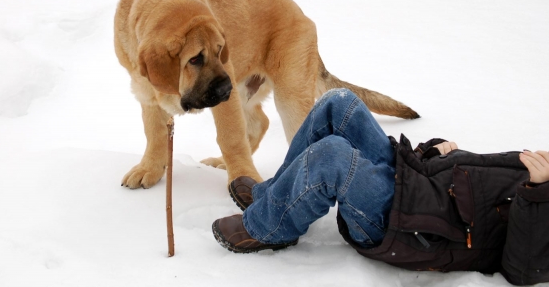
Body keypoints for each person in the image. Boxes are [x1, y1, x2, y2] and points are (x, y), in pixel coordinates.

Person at [211, 88, 549, 286]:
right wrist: (437, 152)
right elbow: (476, 187)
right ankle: (272, 198)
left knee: (333, 159)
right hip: (412, 180)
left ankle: (270, 226)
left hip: (406, 224)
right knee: (338, 104)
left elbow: (522, 268)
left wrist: (538, 194)